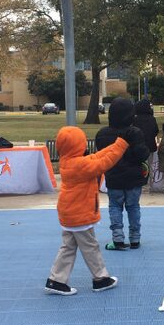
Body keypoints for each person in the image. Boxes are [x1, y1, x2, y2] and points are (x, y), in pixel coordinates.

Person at [45, 126, 129, 295]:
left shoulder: (69, 161)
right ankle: (100, 278)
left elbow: (97, 156)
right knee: (91, 246)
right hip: (79, 215)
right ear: (78, 146)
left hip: (69, 213)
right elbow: (104, 162)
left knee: (68, 247)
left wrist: (117, 144)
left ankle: (56, 280)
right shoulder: (80, 165)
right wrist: (122, 144)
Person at [95, 98, 150, 250]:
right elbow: (142, 154)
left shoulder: (103, 134)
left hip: (114, 177)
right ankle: (135, 238)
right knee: (133, 207)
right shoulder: (135, 132)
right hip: (133, 178)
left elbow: (100, 155)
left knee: (115, 207)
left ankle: (117, 238)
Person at [133, 99, 159, 192]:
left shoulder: (135, 119)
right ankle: (149, 185)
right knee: (149, 166)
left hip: (139, 147)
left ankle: (142, 185)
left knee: (141, 167)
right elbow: (156, 131)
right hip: (150, 146)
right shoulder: (152, 119)